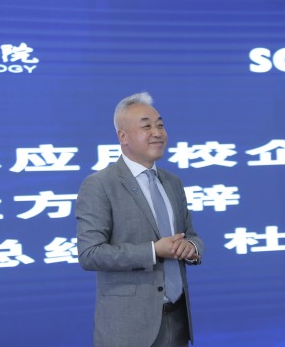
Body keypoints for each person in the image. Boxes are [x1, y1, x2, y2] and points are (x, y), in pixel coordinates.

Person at [76, 92, 204, 347]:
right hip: (129, 328)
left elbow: (191, 235)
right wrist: (153, 251)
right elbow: (90, 254)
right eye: (147, 126)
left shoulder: (172, 182)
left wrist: (191, 247)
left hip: (177, 319)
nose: (157, 133)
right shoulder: (100, 185)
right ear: (123, 137)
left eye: (160, 125)